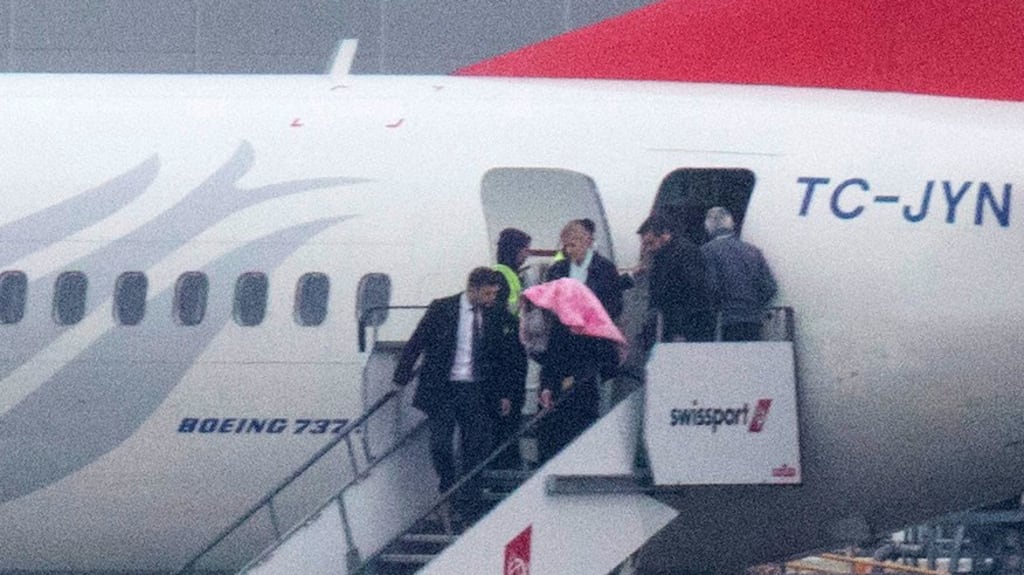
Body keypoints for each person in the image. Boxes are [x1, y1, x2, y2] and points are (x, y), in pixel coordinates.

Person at [392, 267, 516, 505]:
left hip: (475, 388)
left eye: (494, 294)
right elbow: (417, 341)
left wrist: (504, 393)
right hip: (443, 387)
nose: (492, 299)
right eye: (488, 294)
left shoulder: (494, 314)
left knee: (476, 445)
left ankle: (469, 495)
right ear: (473, 289)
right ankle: (448, 483)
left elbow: (500, 357)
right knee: (440, 443)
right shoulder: (442, 309)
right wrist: (400, 377)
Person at [520, 278, 625, 462]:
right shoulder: (573, 328)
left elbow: (552, 359)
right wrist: (547, 387)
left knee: (567, 436)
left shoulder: (578, 331)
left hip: (576, 391)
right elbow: (552, 359)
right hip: (568, 389)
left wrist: (550, 385)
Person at [701, 206, 778, 341]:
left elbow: (711, 287)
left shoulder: (707, 251)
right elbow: (769, 287)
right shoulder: (752, 250)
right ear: (731, 224)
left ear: (708, 227)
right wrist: (753, 305)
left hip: (726, 320)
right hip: (753, 319)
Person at [637, 212, 715, 342]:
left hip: (684, 325)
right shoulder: (666, 254)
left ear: (665, 235)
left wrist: (679, 329)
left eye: (651, 243)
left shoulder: (685, 254)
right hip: (674, 323)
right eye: (645, 245)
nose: (648, 249)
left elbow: (692, 291)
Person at [490, 228, 532, 469]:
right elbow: (504, 315)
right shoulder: (503, 276)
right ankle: (507, 460)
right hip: (509, 349)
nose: (527, 255)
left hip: (513, 347)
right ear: (515, 250)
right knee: (510, 407)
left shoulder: (508, 274)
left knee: (513, 407)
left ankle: (509, 457)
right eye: (525, 249)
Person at [545, 219, 623, 320]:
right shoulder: (556, 270)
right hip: (563, 328)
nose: (568, 250)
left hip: (595, 327)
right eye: (566, 246)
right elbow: (547, 303)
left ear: (587, 242)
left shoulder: (606, 268)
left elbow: (615, 305)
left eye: (572, 245)